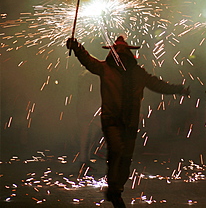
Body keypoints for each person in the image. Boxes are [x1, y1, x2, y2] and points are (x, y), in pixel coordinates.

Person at [67, 36, 190, 208]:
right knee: (116, 151)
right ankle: (113, 188)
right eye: (118, 50)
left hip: (130, 123)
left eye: (123, 50)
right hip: (111, 120)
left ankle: (116, 190)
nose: (121, 53)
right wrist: (77, 48)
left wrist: (177, 89)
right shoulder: (105, 69)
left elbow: (157, 84)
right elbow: (88, 61)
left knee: (125, 158)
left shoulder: (138, 73)